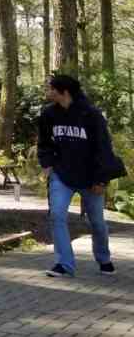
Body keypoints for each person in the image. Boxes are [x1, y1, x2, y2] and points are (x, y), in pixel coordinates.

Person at [39, 73, 127, 278]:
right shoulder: (48, 114)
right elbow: (44, 143)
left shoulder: (91, 115)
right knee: (57, 215)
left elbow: (104, 148)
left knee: (97, 222)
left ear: (64, 92)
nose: (48, 92)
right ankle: (64, 264)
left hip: (90, 178)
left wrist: (101, 179)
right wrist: (47, 164)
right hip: (61, 175)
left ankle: (104, 260)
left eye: (51, 89)